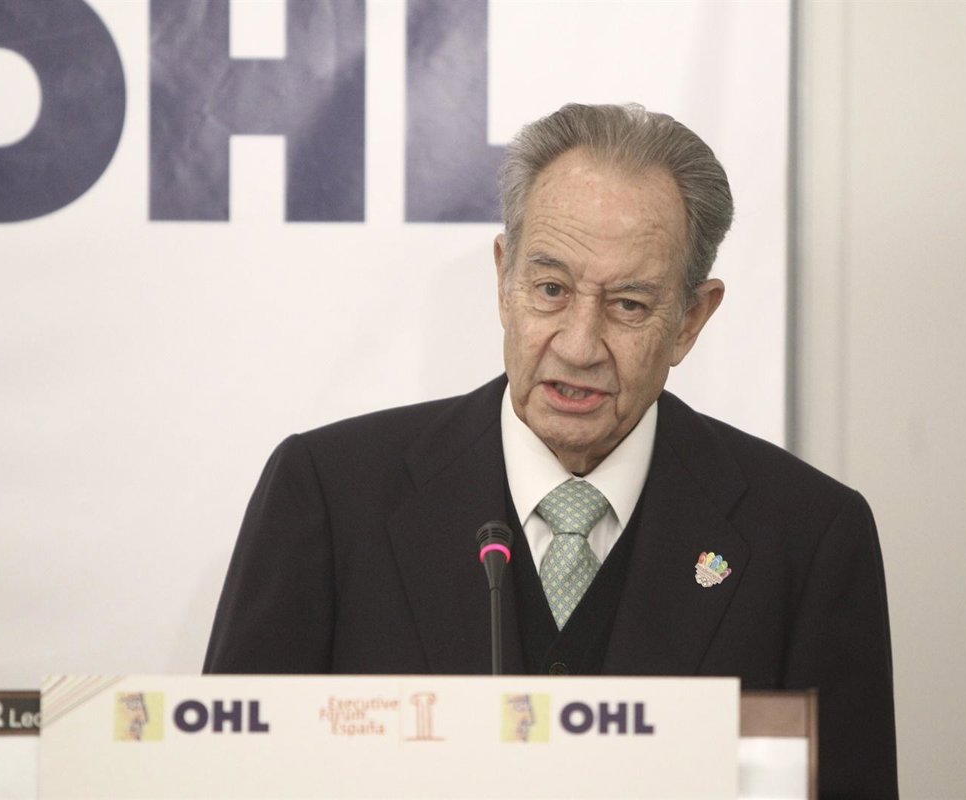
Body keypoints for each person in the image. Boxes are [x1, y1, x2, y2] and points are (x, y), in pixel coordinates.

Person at [204, 103, 897, 798]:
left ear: (690, 320)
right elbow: (231, 779)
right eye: (551, 290)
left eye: (629, 304)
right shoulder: (329, 497)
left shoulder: (807, 538)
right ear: (504, 281)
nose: (579, 345)